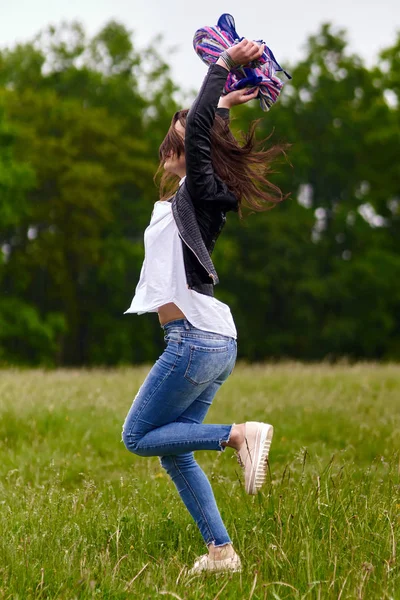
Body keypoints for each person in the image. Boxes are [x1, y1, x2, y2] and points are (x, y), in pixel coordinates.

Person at [122, 39, 287, 575]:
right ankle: (222, 552)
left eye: (172, 144)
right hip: (215, 341)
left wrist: (221, 68)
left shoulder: (196, 194)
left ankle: (237, 435)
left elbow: (196, 138)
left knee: (137, 436)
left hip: (192, 340)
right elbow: (204, 136)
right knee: (173, 450)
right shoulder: (193, 197)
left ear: (183, 154)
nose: (166, 151)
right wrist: (227, 103)